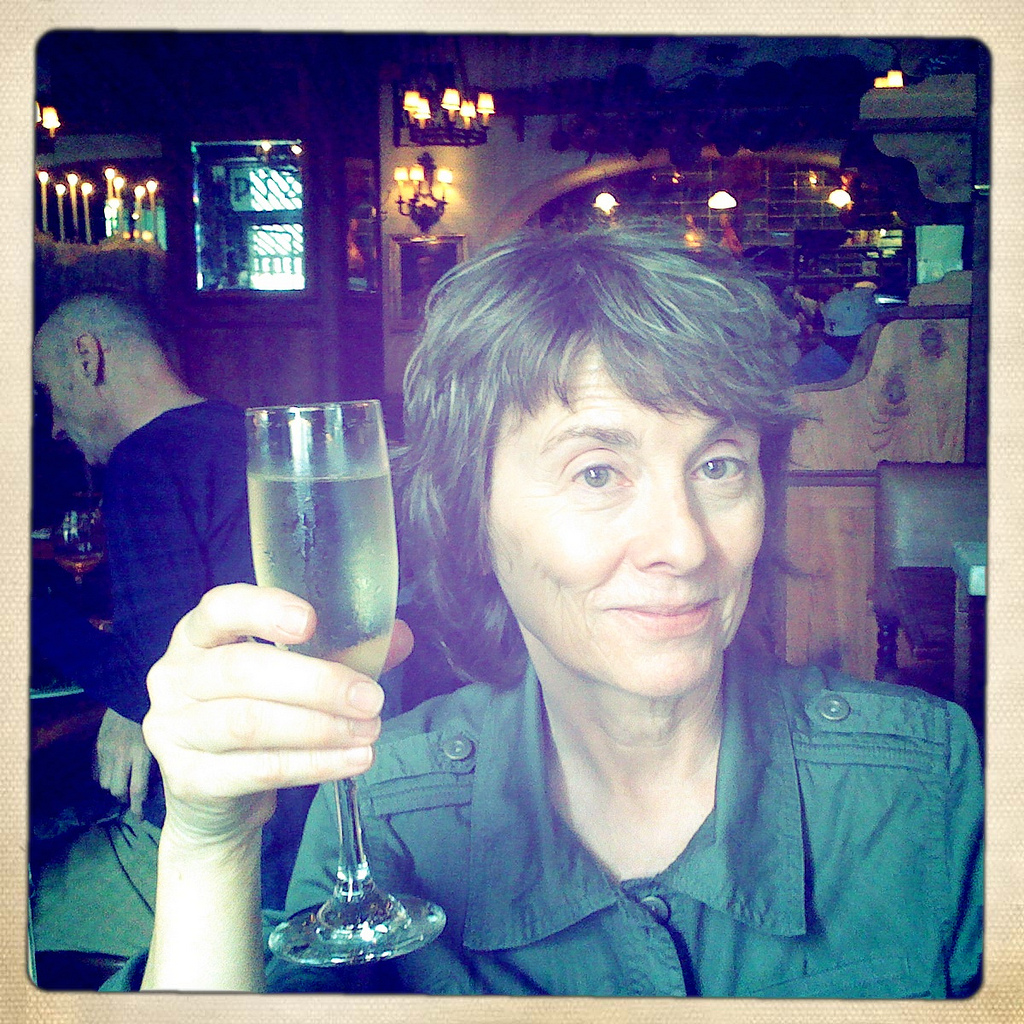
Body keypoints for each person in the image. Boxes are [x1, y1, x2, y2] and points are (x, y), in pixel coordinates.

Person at [129, 228, 982, 996]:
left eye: (719, 465)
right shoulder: (390, 811)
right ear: (471, 515)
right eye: (597, 473)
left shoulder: (925, 783)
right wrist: (211, 846)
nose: (684, 545)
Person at [31, 291, 310, 911]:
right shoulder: (243, 429)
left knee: (35, 891)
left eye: (49, 392)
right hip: (306, 800)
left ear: (87, 359)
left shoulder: (145, 459)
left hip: (242, 831)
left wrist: (29, 609)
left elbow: (153, 675)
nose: (53, 426)